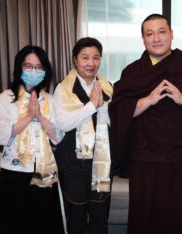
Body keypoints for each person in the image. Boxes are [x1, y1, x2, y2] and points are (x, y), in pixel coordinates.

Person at [109, 13, 182, 234]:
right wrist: (148, 101)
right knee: (145, 217)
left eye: (161, 32)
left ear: (172, 35)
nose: (156, 38)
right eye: (149, 33)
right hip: (145, 156)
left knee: (179, 217)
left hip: (180, 155)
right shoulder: (133, 72)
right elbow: (118, 111)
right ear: (143, 39)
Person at [0, 45, 65, 234]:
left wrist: (40, 116)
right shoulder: (6, 98)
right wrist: (28, 117)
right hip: (15, 172)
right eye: (28, 66)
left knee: (45, 225)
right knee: (15, 226)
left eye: (39, 67)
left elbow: (58, 137)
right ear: (19, 68)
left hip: (44, 170)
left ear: (45, 71)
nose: (33, 71)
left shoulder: (50, 99)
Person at [53, 37, 113, 234]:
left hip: (101, 164)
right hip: (73, 164)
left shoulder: (107, 86)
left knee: (100, 215)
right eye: (85, 57)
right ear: (75, 59)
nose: (91, 63)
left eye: (96, 58)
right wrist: (90, 107)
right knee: (76, 217)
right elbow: (63, 123)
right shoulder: (63, 88)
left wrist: (102, 107)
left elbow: (115, 124)